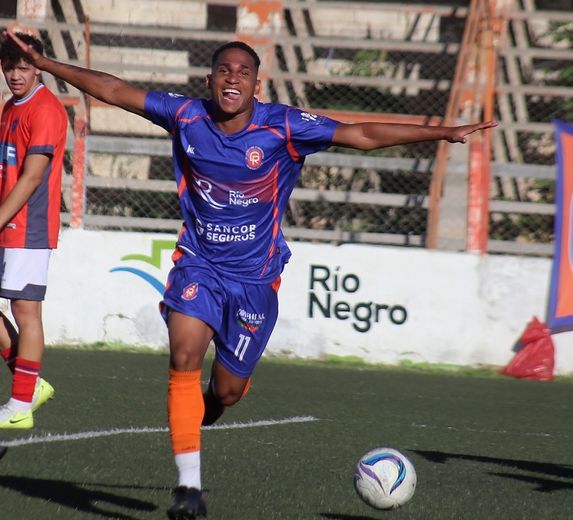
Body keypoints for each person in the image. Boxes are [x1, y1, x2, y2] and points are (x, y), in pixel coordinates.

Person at [5, 32, 496, 518]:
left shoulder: (283, 127)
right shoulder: (186, 115)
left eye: (243, 72)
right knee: (183, 354)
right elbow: (114, 90)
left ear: (256, 84)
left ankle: (207, 410)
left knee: (227, 392)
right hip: (198, 263)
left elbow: (360, 134)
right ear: (210, 79)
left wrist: (441, 133)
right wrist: (47, 65)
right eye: (224, 70)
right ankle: (189, 488)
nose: (232, 78)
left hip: (256, 282)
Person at [0, 33, 65, 429]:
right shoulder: (10, 108)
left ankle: (20, 405)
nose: (16, 75)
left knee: (26, 311)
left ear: (37, 67)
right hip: (6, 222)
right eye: (10, 67)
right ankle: (30, 384)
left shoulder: (46, 110)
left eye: (24, 67)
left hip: (28, 227)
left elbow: (31, 177)